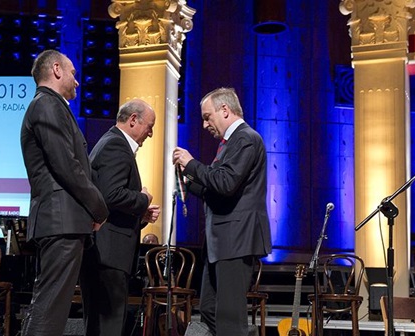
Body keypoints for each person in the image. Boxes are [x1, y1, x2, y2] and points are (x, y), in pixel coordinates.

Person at [20, 49, 109, 336]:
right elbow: (66, 165)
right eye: (73, 73)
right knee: (50, 309)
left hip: (63, 222)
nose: (77, 81)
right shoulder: (46, 104)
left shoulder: (51, 106)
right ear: (56, 69)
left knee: (50, 307)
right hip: (61, 222)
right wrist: (99, 207)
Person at [172, 87, 272, 336]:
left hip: (236, 239)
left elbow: (225, 183)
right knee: (208, 309)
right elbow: (217, 188)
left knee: (229, 316)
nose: (205, 124)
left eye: (207, 116)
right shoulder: (231, 143)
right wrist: (188, 182)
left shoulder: (246, 138)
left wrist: (191, 163)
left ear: (225, 110)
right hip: (222, 242)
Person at [79, 99, 161, 336]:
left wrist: (140, 214)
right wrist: (143, 198)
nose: (151, 133)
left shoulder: (110, 142)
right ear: (133, 120)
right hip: (109, 255)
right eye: (150, 125)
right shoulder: (116, 145)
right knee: (108, 327)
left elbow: (108, 201)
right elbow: (110, 194)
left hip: (105, 252)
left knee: (99, 326)